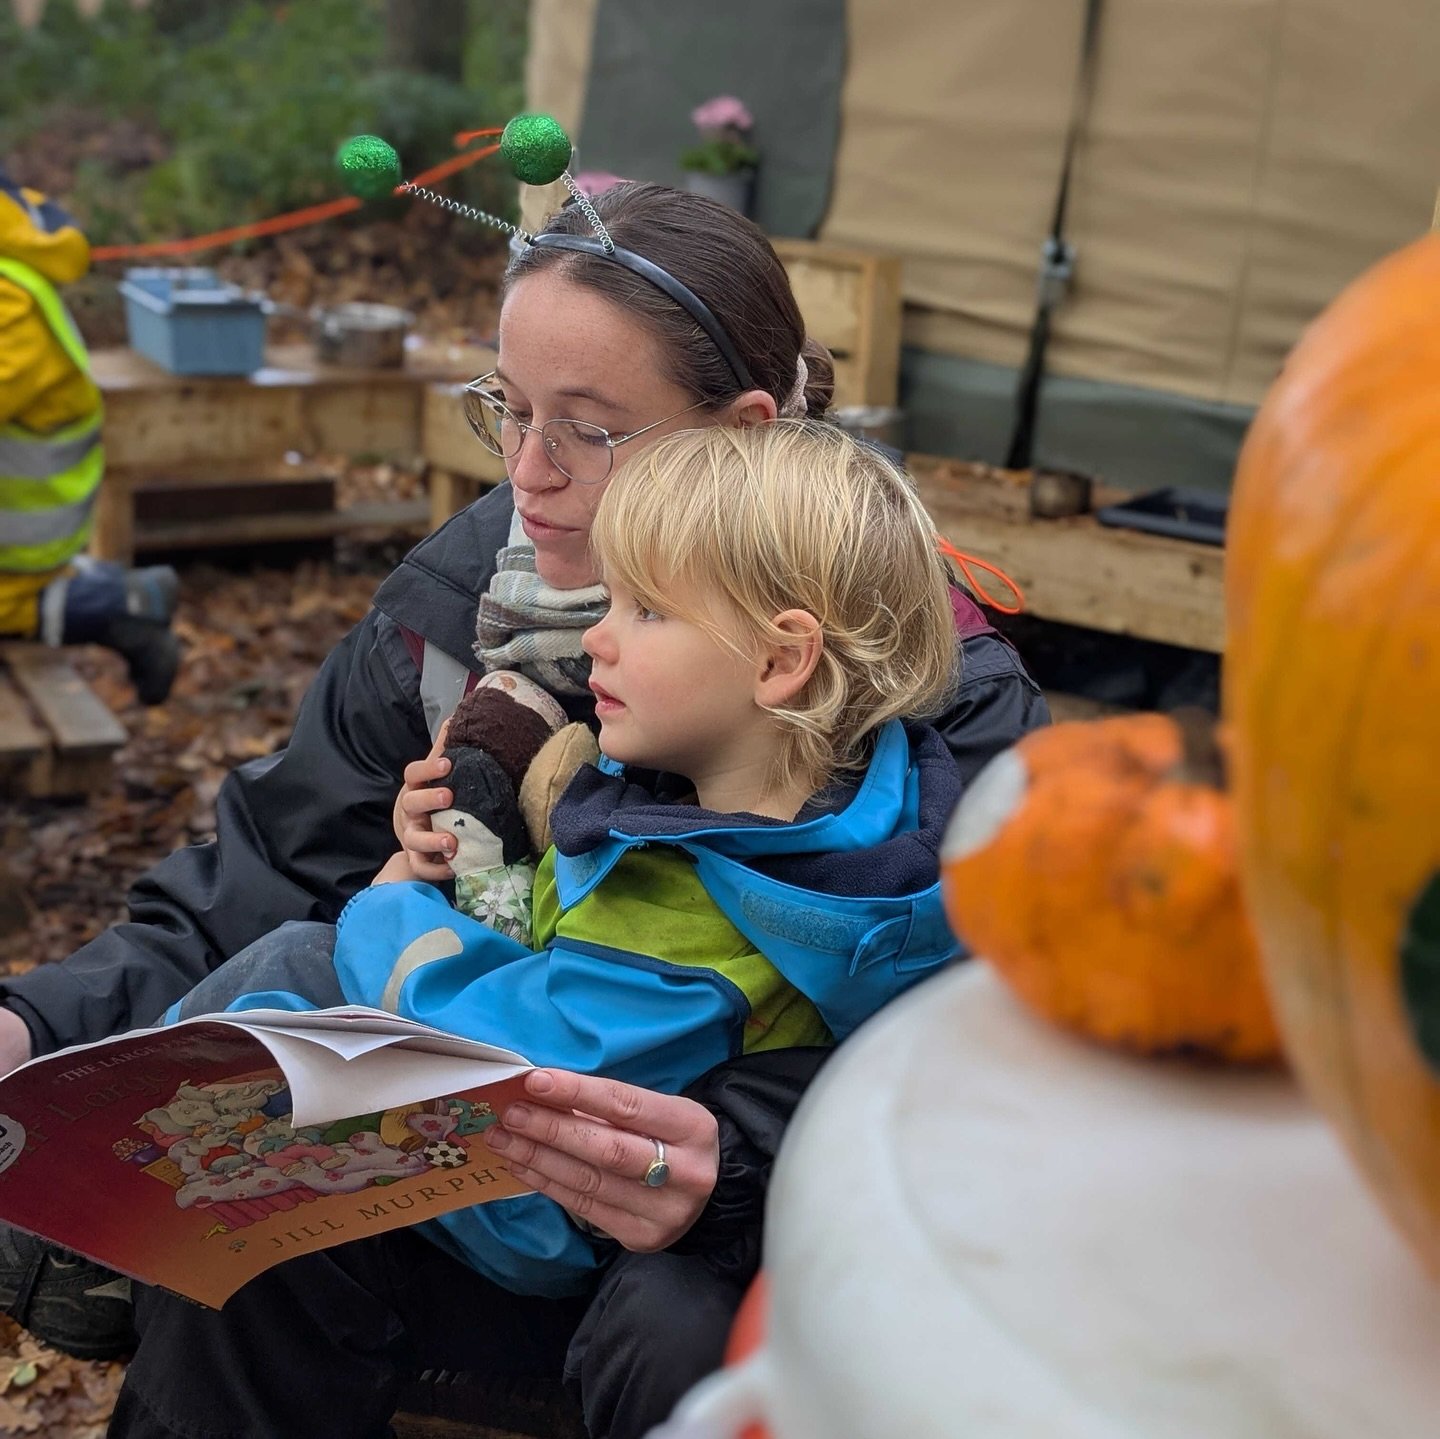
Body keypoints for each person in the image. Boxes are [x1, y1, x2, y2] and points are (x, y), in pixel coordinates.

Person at [0, 181, 1048, 1436]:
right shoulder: (464, 602)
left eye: (588, 429)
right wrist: (33, 1025)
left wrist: (742, 1158)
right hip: (467, 1194)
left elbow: (1005, 1064)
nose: (527, 473)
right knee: (263, 1183)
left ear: (742, 432)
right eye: (508, 407)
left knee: (680, 1322)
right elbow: (266, 869)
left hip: (713, 1243)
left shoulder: (932, 688)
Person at [107, 420, 963, 1437]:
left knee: (276, 1054)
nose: (598, 634)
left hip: (543, 1219)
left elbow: (515, 1058)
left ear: (780, 661)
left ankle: (103, 1188)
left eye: (646, 610)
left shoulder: (710, 917)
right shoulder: (841, 813)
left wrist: (392, 905)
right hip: (624, 1205)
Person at [0, 164, 179, 704]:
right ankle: (127, 590)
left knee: (9, 606)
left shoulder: (10, 302)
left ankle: (123, 608)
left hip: (23, 531)